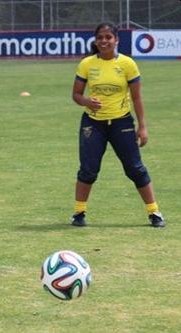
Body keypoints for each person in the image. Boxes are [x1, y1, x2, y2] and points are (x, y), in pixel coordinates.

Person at [70, 22, 165, 228]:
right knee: (88, 170)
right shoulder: (87, 64)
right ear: (96, 41)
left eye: (108, 37)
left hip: (121, 122)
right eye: (100, 38)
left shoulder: (127, 64)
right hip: (93, 123)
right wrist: (87, 101)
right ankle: (78, 213)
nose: (104, 41)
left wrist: (142, 126)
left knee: (135, 168)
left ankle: (154, 212)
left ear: (116, 40)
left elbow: (137, 98)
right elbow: (76, 95)